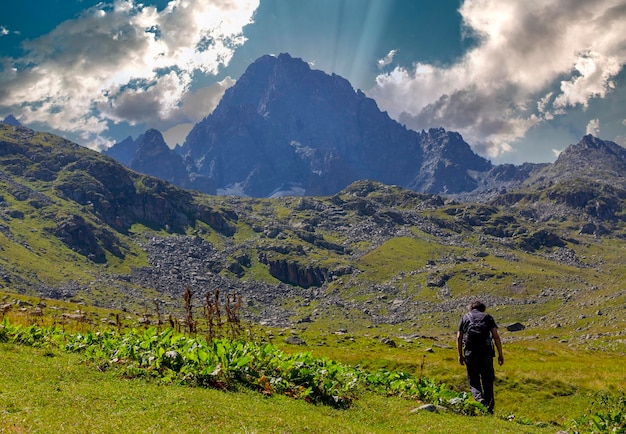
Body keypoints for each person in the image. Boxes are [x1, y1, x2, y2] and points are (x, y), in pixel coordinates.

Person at [456, 300, 504, 414]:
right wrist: (500, 354)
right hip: (486, 353)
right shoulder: (487, 317)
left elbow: (459, 337)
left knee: (473, 380)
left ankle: (479, 398)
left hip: (470, 353)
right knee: (488, 379)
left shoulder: (465, 318)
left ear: (470, 308)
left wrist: (460, 355)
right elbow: (496, 336)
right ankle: (489, 409)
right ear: (483, 308)